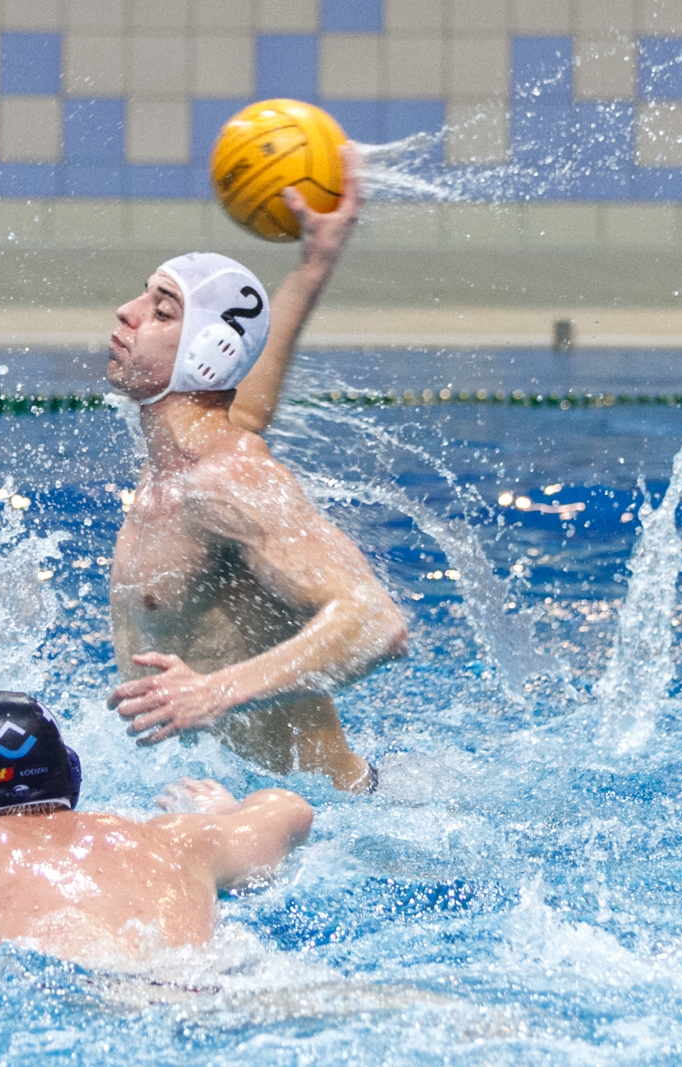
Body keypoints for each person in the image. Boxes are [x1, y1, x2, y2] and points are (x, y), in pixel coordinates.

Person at [104, 146, 410, 792]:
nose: (128, 312)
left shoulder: (226, 482)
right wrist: (316, 264)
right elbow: (249, 400)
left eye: (162, 310)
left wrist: (213, 693)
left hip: (325, 816)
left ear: (207, 356)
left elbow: (377, 623)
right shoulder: (183, 456)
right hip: (236, 802)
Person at [0, 691, 313, 963]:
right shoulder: (173, 839)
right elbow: (293, 810)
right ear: (71, 773)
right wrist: (222, 815)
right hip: (214, 983)